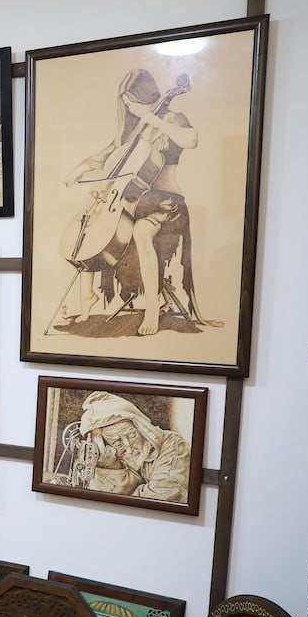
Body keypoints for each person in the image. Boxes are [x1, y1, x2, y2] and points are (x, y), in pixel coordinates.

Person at [63, 69, 199, 336]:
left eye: (132, 102)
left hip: (167, 202)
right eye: (125, 103)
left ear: (146, 95)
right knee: (94, 229)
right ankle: (87, 297)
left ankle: (152, 307)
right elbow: (106, 155)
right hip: (137, 199)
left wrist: (156, 121)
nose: (129, 108)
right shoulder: (134, 129)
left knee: (140, 230)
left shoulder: (172, 118)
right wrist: (80, 169)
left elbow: (191, 139)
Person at [76, 391, 191, 502]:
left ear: (142, 428)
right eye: (117, 443)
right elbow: (105, 498)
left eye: (132, 435)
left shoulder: (173, 445)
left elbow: (163, 496)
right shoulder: (120, 457)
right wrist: (111, 467)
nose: (129, 449)